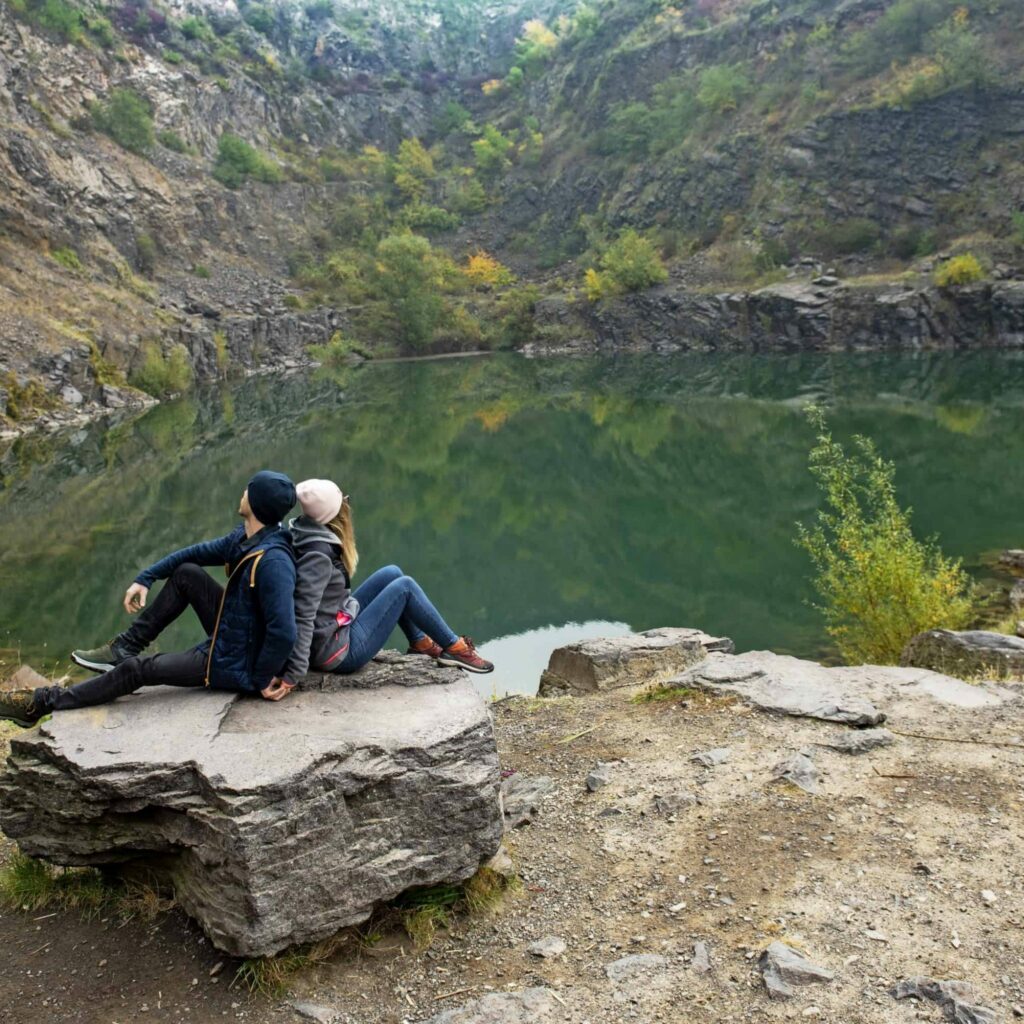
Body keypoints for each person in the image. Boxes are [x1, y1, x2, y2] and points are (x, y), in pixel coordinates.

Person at [0, 470, 299, 728]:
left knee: (138, 670)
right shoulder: (245, 538)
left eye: (249, 489)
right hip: (234, 635)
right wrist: (147, 576)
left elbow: (284, 631)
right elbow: (195, 553)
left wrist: (260, 678)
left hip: (235, 663)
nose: (243, 492)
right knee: (186, 573)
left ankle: (41, 702)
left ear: (256, 504)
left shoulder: (273, 562)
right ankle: (124, 647)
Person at [266, 478, 492, 701]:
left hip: (336, 624)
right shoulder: (317, 556)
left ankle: (420, 643)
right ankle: (455, 648)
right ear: (331, 515)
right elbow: (303, 615)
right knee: (405, 587)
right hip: (337, 653)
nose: (347, 505)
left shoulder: (304, 531)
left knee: (392, 572)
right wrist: (294, 673)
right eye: (343, 502)